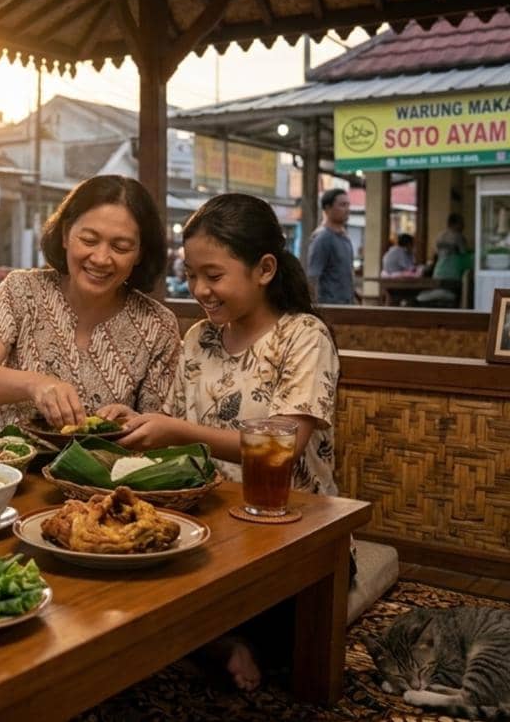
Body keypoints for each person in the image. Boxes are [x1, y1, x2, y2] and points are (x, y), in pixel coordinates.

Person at [100, 193, 341, 692]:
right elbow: (168, 425)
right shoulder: (198, 340)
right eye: (190, 276)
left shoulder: (303, 336)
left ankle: (223, 642)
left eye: (213, 275)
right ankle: (220, 640)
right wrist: (136, 422)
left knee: (271, 627)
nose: (200, 290)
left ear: (265, 268)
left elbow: (284, 444)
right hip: (211, 521)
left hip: (290, 531)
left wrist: (177, 432)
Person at [0, 175, 180, 432]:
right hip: (9, 467)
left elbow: (158, 429)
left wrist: (129, 421)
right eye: (89, 240)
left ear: (140, 253)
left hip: (104, 470)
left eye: (121, 247)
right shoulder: (22, 290)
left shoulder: (158, 325)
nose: (101, 258)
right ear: (64, 235)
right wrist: (35, 384)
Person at [306, 188, 355, 304]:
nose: (347, 210)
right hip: (330, 307)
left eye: (348, 205)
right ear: (327, 208)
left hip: (347, 305)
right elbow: (313, 277)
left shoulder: (344, 237)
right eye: (343, 205)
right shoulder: (323, 238)